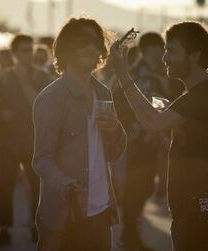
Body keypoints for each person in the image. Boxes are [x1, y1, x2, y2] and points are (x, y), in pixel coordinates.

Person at [110, 21, 208, 251]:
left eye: (172, 50)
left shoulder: (200, 94)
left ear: (194, 55)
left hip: (196, 209)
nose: (165, 57)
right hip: (205, 207)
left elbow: (153, 122)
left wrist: (122, 74)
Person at [33, 17, 126, 251]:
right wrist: (69, 187)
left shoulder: (103, 92)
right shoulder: (52, 97)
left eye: (96, 42)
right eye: (83, 41)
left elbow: (113, 154)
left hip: (100, 211)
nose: (92, 47)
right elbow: (41, 160)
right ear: (67, 48)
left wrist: (116, 131)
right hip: (64, 215)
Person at [0, 34, 50, 247]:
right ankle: (4, 228)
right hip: (9, 141)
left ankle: (37, 226)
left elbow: (41, 105)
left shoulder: (42, 76)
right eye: (24, 50)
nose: (29, 54)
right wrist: (2, 114)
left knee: (37, 186)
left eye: (31, 49)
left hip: (34, 141)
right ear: (15, 53)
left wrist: (25, 81)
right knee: (4, 186)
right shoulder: (4, 77)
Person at [113, 32, 167, 251]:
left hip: (149, 139)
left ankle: (130, 233)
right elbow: (119, 100)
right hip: (138, 140)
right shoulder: (138, 73)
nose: (162, 52)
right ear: (147, 48)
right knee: (138, 188)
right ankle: (129, 235)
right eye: (158, 47)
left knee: (143, 188)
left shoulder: (155, 74)